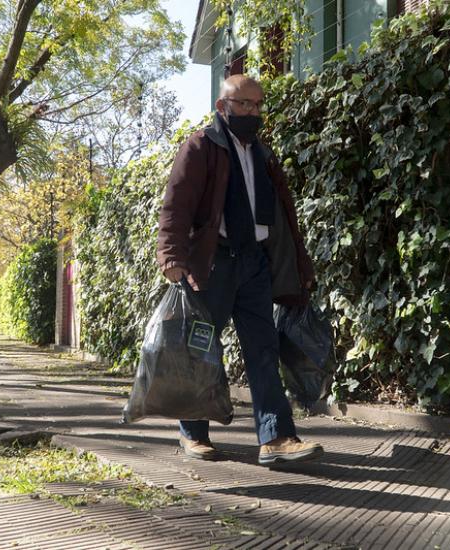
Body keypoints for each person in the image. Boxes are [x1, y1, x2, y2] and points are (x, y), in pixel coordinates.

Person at [156, 74, 323, 466]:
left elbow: (285, 216)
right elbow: (175, 206)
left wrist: (300, 265)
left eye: (257, 105)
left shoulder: (262, 153)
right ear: (221, 107)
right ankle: (193, 433)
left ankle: (276, 438)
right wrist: (173, 258)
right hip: (213, 264)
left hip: (255, 263)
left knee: (263, 350)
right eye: (243, 104)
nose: (252, 111)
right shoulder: (201, 146)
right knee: (200, 348)